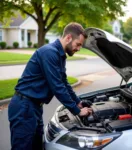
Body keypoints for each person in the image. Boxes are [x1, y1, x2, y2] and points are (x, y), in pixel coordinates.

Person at [8, 22, 92, 150]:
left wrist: (78, 102)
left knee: (37, 146)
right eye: (78, 44)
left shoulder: (60, 55)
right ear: (68, 38)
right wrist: (77, 111)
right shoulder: (49, 52)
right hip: (24, 107)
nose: (79, 48)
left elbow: (64, 82)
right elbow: (57, 86)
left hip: (34, 107)